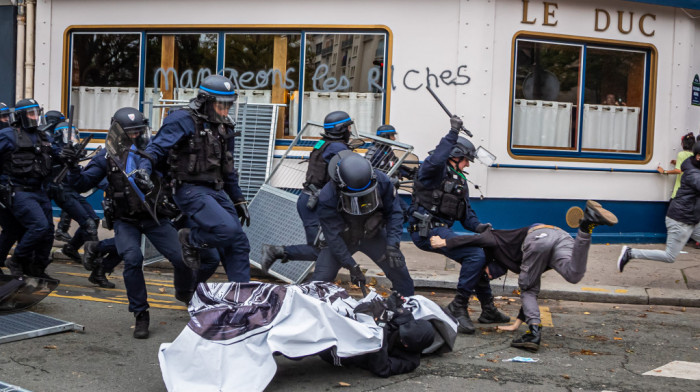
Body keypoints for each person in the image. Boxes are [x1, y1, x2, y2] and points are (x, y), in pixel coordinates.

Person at [66, 107, 195, 339]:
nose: (136, 136)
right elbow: (82, 184)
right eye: (130, 133)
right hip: (126, 220)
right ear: (118, 131)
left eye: (139, 131)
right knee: (133, 259)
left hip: (155, 218)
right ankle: (140, 314)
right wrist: (72, 167)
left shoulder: (154, 151)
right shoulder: (106, 156)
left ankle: (185, 293)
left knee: (182, 258)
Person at [430, 200, 619, 352]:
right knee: (573, 275)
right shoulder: (518, 262)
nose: (487, 276)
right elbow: (530, 289)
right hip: (560, 237)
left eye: (485, 272)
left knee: (527, 287)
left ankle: (533, 333)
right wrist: (515, 325)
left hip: (538, 236)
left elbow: (480, 238)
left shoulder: (495, 241)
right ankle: (586, 227)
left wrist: (446, 241)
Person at [139, 74, 251, 283]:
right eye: (221, 105)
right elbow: (155, 149)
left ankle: (241, 296)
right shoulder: (182, 119)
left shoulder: (224, 126)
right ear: (204, 102)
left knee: (239, 242)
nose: (225, 111)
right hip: (189, 189)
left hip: (216, 190)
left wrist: (239, 199)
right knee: (227, 230)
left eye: (229, 105)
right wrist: (143, 170)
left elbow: (228, 168)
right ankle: (189, 238)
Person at [407, 115, 509, 334]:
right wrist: (453, 133)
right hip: (426, 231)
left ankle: (488, 308)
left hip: (443, 230)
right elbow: (436, 160)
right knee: (474, 255)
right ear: (455, 155)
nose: (468, 164)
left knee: (481, 252)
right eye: (466, 159)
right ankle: (458, 306)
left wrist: (480, 227)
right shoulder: (432, 171)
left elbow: (466, 214)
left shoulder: (459, 179)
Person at [309, 151, 414, 296]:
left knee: (399, 270)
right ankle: (314, 310)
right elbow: (332, 236)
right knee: (320, 279)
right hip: (342, 239)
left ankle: (407, 309)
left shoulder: (383, 182)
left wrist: (392, 245)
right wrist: (351, 265)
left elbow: (394, 213)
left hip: (373, 235)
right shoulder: (328, 196)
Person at [260, 111, 353, 272]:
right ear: (341, 129)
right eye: (348, 128)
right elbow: (350, 169)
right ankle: (276, 251)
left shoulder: (322, 143)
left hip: (310, 199)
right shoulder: (338, 147)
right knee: (321, 250)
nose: (350, 131)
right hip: (315, 204)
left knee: (327, 247)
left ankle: (319, 280)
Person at [1, 99, 60, 280]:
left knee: (48, 231)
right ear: (20, 116)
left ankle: (37, 267)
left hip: (39, 190)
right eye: (30, 114)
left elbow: (55, 154)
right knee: (38, 226)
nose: (35, 117)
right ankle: (17, 259)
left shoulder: (43, 136)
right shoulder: (8, 135)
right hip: (19, 190)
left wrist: (66, 155)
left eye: (36, 113)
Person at [618, 141, 700, 271]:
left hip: (693, 219)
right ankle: (630, 253)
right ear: (698, 156)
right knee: (670, 256)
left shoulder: (694, 168)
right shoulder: (693, 174)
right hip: (681, 221)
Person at [320, 292, 436, 377]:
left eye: (404, 342)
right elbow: (360, 309)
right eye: (401, 334)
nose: (400, 340)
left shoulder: (410, 361)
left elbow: (382, 369)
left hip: (347, 352)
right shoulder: (405, 318)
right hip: (346, 325)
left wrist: (381, 328)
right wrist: (388, 306)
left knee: (317, 344)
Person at [46, 122, 101, 267]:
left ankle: (71, 247)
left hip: (72, 190)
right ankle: (96, 266)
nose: (71, 138)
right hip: (61, 190)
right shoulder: (53, 149)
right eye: (67, 134)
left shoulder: (73, 150)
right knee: (89, 225)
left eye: (73, 134)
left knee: (93, 220)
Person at [657, 132, 696, 199]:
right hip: (690, 188)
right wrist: (677, 162)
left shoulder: (681, 154)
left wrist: (664, 171)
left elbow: (678, 170)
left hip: (680, 187)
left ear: (683, 144)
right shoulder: (695, 155)